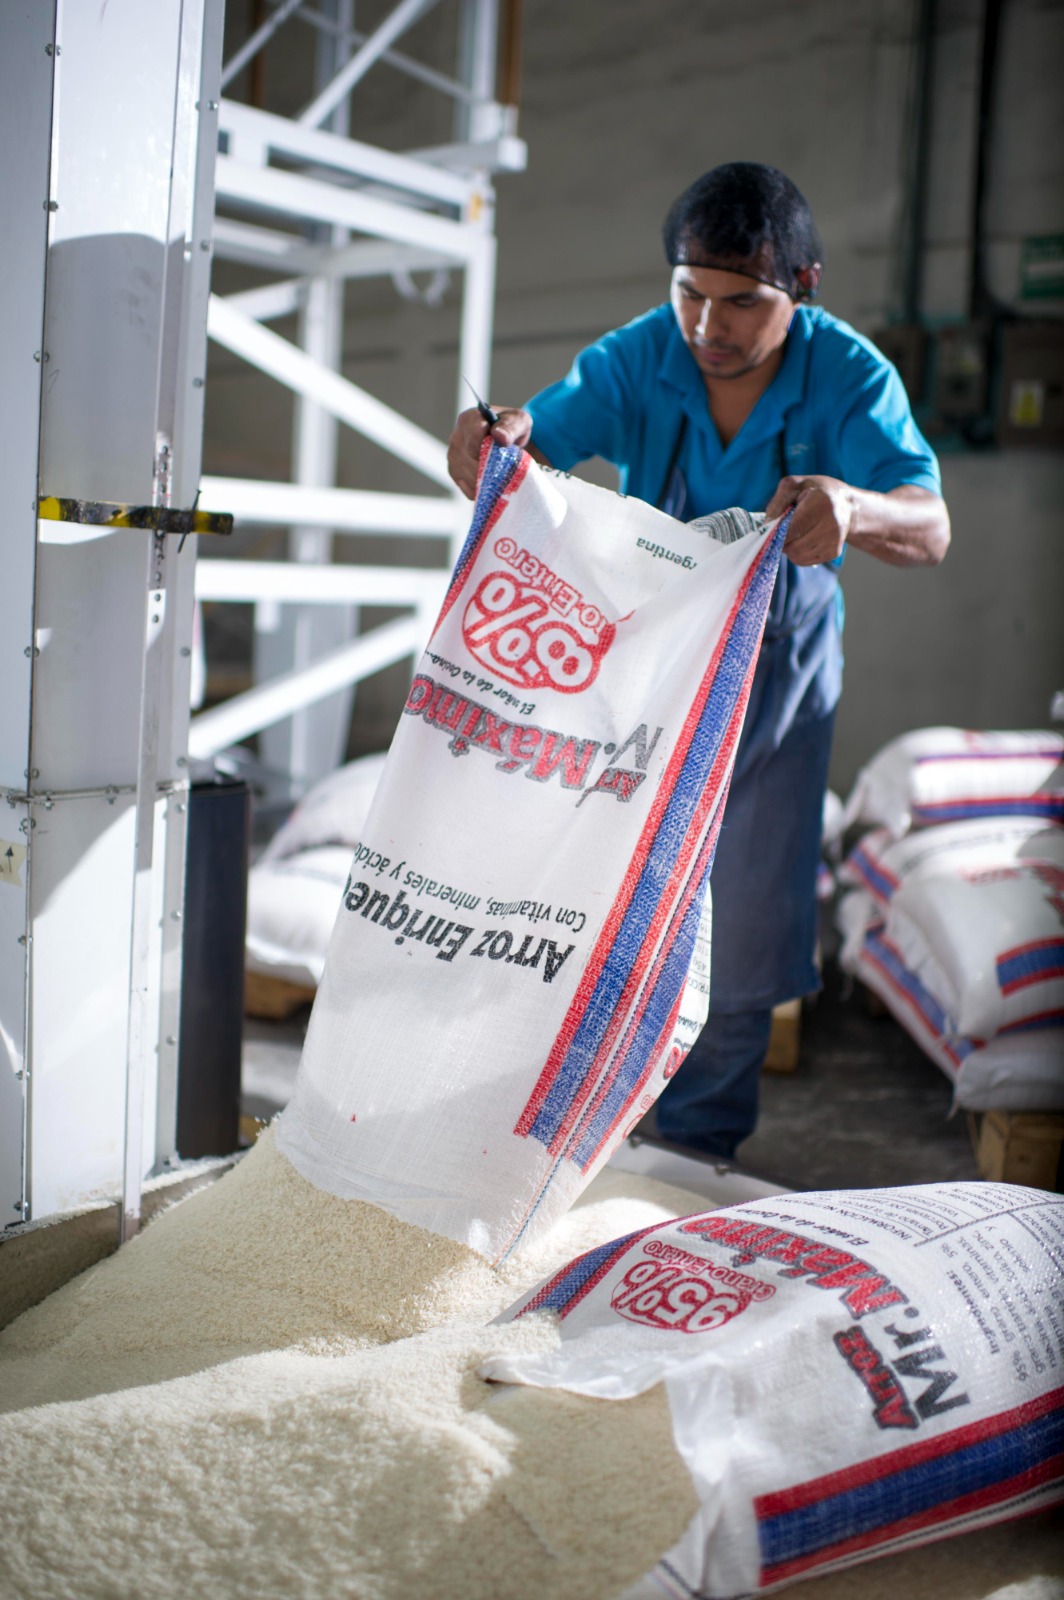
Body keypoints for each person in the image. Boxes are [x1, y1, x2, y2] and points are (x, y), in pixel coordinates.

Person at [447, 162, 950, 1161]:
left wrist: (853, 508)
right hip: (648, 667)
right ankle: (571, 1136)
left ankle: (693, 1154)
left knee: (745, 912)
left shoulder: (849, 376)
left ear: (802, 287)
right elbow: (535, 445)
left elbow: (931, 527)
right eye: (690, 294)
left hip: (775, 678)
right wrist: (493, 443)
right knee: (602, 888)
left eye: (741, 303)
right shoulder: (640, 354)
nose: (708, 326)